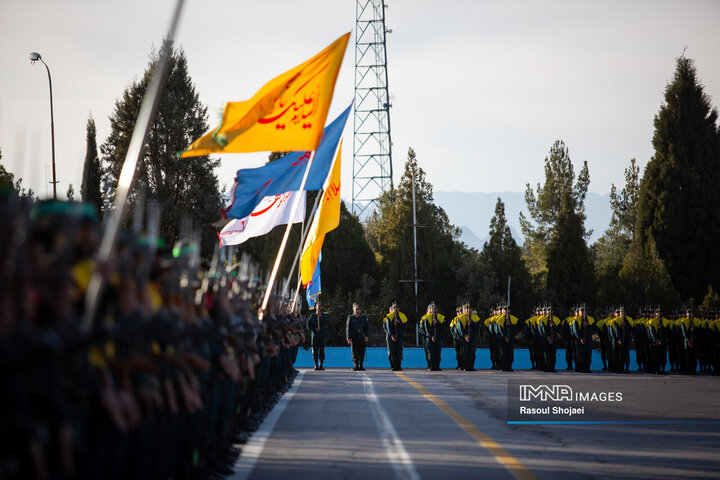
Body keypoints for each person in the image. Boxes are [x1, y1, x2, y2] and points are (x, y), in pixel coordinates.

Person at [420, 302, 445, 370]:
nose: (433, 311)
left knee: (437, 352)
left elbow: (443, 327)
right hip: (428, 338)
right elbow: (424, 329)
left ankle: (437, 365)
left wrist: (437, 323)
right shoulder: (425, 318)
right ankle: (430, 365)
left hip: (438, 337)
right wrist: (430, 336)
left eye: (434, 309)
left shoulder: (440, 317)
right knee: (430, 352)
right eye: (431, 309)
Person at [383, 302, 408, 371]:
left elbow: (405, 326)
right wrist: (391, 335)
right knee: (392, 351)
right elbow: (388, 327)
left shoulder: (402, 316)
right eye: (394, 308)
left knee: (399, 351)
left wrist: (399, 322)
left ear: (399, 309)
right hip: (391, 337)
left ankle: (398, 365)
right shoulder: (389, 316)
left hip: (399, 336)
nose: (395, 309)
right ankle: (393, 365)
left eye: (396, 308)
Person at [306, 301, 329, 370]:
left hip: (322, 335)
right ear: (315, 307)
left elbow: (326, 321)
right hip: (315, 336)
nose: (319, 308)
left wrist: (320, 316)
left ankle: (321, 364)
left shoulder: (325, 315)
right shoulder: (312, 316)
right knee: (315, 351)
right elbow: (308, 326)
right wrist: (314, 329)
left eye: (320, 307)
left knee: (322, 350)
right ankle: (316, 365)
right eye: (318, 306)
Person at [346, 303, 369, 371]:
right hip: (354, 337)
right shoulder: (351, 318)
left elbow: (367, 327)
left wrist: (367, 335)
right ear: (353, 309)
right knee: (354, 351)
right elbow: (348, 328)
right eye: (356, 309)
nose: (357, 311)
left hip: (362, 337)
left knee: (362, 351)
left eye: (358, 309)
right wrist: (348, 337)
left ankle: (361, 365)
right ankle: (356, 365)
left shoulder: (364, 318)